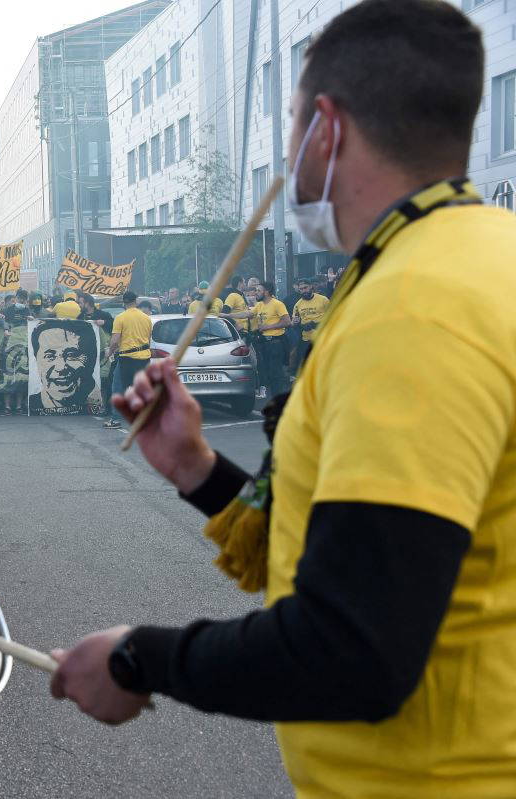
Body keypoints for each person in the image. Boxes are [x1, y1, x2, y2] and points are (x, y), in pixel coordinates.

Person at [51, 3, 516, 796]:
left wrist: (139, 657)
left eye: (293, 120)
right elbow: (350, 546)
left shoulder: (415, 304)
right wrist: (195, 465)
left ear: (324, 129)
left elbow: (353, 647)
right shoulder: (468, 257)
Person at [102, 291, 152, 429]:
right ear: (136, 301)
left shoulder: (120, 317)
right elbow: (147, 339)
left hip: (127, 358)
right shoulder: (146, 318)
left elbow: (115, 340)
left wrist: (109, 352)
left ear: (123, 303)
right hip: (144, 357)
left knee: (118, 388)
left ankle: (115, 419)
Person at [28, 319, 98, 414]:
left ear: (91, 357)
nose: (61, 368)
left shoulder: (97, 403)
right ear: (36, 360)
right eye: (49, 356)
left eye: (71, 355)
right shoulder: (32, 404)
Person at [290, 276, 330, 357]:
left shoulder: (323, 299)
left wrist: (316, 324)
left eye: (305, 287)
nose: (304, 291)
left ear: (311, 286)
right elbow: (293, 323)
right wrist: (295, 323)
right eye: (301, 289)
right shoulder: (298, 305)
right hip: (306, 340)